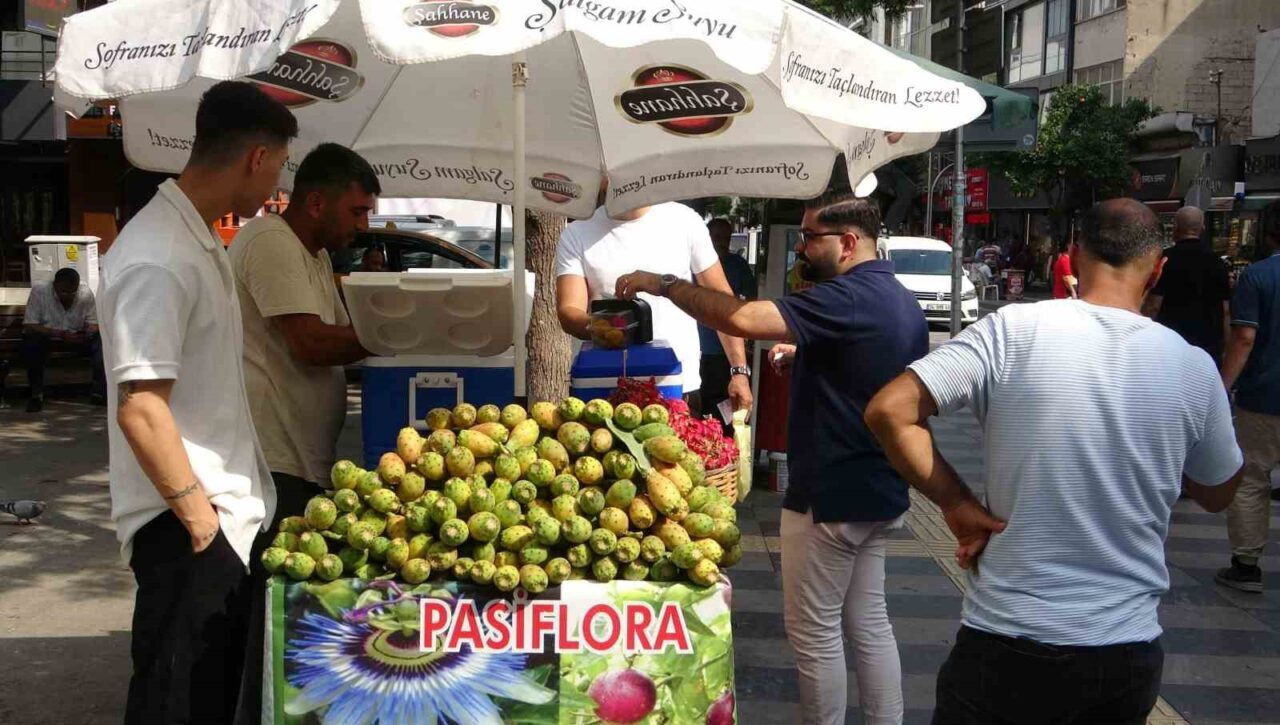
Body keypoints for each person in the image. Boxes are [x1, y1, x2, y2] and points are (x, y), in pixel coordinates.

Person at [865, 198, 1243, 725]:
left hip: (1003, 644)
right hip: (1122, 655)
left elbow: (890, 410)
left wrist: (954, 502)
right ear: (1158, 269)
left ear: (1072, 255)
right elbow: (1219, 490)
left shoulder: (1011, 331)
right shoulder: (1193, 368)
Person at [616, 192, 927, 725]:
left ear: (848, 243)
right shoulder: (896, 298)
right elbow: (865, 362)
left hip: (831, 490)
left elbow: (742, 316)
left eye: (811, 237)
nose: (803, 247)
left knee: (815, 630)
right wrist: (805, 350)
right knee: (868, 621)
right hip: (879, 484)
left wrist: (663, 284)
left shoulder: (848, 296)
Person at [97, 81, 296, 724]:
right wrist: (199, 522)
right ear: (257, 158)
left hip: (219, 519)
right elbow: (142, 408)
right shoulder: (157, 256)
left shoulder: (198, 239)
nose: (275, 187)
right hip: (185, 527)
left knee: (205, 700)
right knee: (174, 704)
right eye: (280, 168)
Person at [231, 143, 374, 525]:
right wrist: (397, 335)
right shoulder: (271, 242)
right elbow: (312, 343)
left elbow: (343, 333)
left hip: (301, 463)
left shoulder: (316, 253)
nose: (363, 226)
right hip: (271, 464)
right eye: (357, 212)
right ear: (315, 204)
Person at [555, 184, 752, 412]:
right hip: (603, 387)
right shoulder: (577, 232)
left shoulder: (685, 221)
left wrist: (739, 371)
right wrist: (604, 328)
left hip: (676, 387)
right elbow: (569, 310)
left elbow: (722, 302)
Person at [1217, 203, 1280, 592]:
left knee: (1253, 478)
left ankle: (1246, 564)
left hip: (1263, 395)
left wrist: (1220, 387)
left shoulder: (1256, 277)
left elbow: (1244, 337)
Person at [1142, 206, 1230, 364]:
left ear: (1175, 228)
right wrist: (1225, 347)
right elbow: (1226, 310)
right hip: (1208, 345)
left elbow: (1153, 305)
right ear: (1202, 229)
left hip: (1170, 343)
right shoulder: (1218, 262)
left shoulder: (1164, 260)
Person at [21, 267, 104, 411]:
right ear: (55, 285)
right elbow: (30, 325)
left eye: (72, 292)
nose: (68, 296)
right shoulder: (40, 291)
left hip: (77, 337)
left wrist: (87, 332)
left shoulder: (85, 294)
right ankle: (36, 395)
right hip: (49, 337)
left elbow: (94, 324)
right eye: (63, 291)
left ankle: (99, 392)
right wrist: (58, 334)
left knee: (101, 341)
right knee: (32, 343)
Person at [698, 218, 755, 420]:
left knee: (730, 404)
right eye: (717, 237)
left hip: (731, 350)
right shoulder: (695, 268)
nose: (722, 242)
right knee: (706, 405)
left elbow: (751, 301)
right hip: (703, 349)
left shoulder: (738, 265)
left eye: (726, 238)